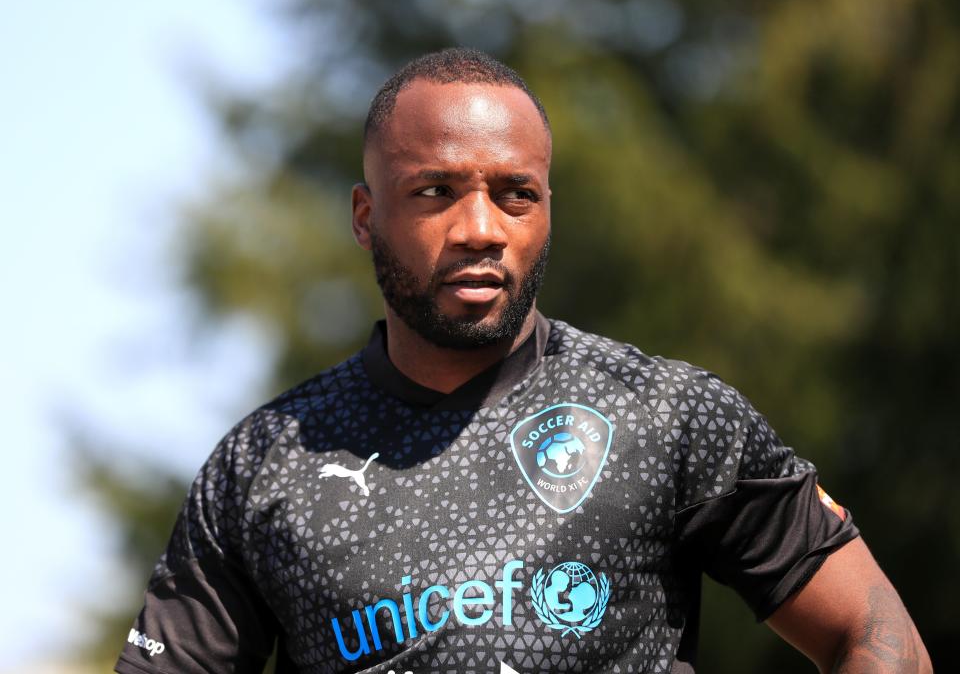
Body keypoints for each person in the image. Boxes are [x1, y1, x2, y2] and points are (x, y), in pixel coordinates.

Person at [114, 48, 931, 674]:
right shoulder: (263, 467)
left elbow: (875, 632)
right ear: (366, 217)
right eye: (435, 191)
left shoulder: (669, 416)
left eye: (515, 193)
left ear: (547, 213)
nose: (480, 227)